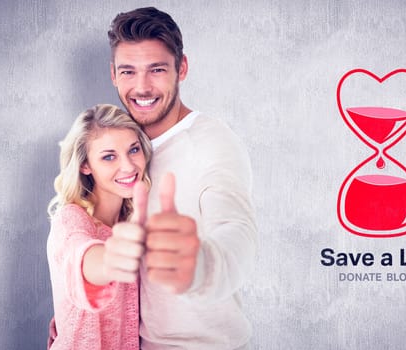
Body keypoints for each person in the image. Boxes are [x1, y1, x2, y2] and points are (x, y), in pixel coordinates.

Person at [105, 7, 258, 350]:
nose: (141, 87)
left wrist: (201, 266)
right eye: (128, 71)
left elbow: (238, 231)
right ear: (114, 74)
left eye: (157, 70)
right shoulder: (120, 147)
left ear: (182, 68)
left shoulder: (212, 143)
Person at [46, 104, 152, 350]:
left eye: (133, 150)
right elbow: (84, 259)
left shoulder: (129, 220)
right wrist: (116, 257)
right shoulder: (70, 220)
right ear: (85, 165)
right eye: (109, 156)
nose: (128, 166)